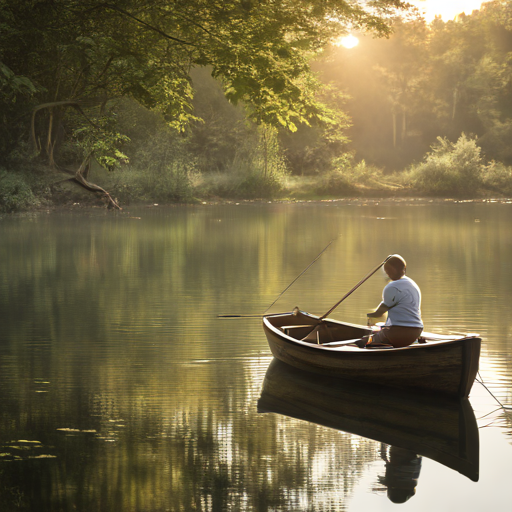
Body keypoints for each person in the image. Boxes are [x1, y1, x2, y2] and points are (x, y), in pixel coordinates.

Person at [366, 254, 423, 348]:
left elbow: (379, 313)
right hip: (417, 331)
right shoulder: (412, 284)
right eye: (386, 271)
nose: (387, 273)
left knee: (368, 342)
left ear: (401, 269)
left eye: (388, 270)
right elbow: (390, 303)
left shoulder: (392, 287)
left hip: (398, 332)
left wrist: (369, 316)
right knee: (383, 328)